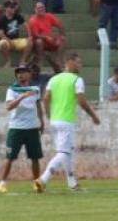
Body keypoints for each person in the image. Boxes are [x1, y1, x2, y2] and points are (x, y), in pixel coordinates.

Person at [34, 53, 101, 193]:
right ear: (69, 62)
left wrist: (48, 115)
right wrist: (93, 116)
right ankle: (43, 179)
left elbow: (45, 99)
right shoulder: (76, 80)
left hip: (55, 121)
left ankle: (72, 182)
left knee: (67, 151)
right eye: (78, 62)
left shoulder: (54, 79)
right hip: (66, 121)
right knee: (63, 153)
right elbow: (82, 101)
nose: (80, 65)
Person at [0, 65, 44, 194]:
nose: (20, 75)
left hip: (32, 128)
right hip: (16, 128)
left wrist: (42, 121)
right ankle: (2, 183)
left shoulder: (35, 89)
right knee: (10, 157)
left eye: (23, 72)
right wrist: (22, 96)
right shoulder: (12, 89)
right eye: (18, 73)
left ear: (29, 74)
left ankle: (36, 182)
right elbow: (9, 107)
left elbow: (38, 105)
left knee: (35, 157)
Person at [28, 2, 67, 72]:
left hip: (50, 40)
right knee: (38, 41)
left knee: (62, 39)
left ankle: (58, 60)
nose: (41, 9)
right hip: (40, 41)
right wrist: (46, 37)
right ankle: (40, 61)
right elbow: (35, 35)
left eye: (42, 7)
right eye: (39, 8)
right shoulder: (32, 20)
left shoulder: (49, 16)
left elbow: (60, 25)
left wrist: (62, 35)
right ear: (35, 10)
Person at [0, 0, 32, 68]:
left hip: (16, 40)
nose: (13, 9)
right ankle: (8, 61)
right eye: (11, 7)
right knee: (2, 44)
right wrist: (9, 41)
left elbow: (26, 25)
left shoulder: (17, 16)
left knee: (30, 42)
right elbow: (0, 34)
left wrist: (30, 36)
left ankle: (22, 61)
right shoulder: (2, 19)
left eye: (13, 7)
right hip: (6, 40)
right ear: (6, 8)